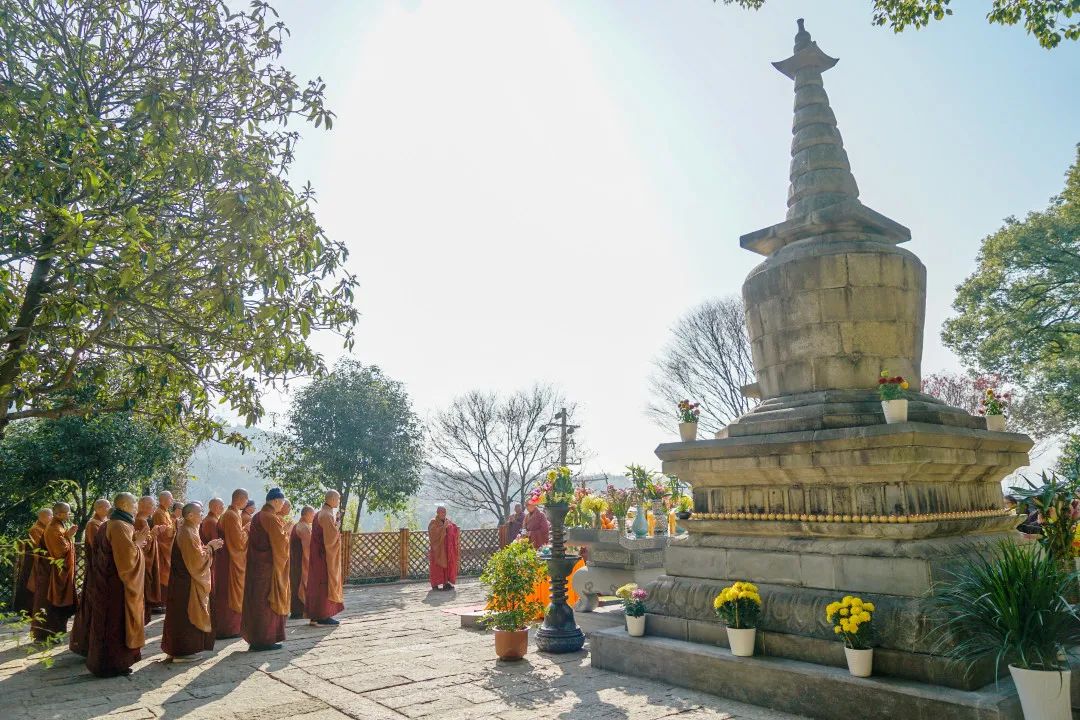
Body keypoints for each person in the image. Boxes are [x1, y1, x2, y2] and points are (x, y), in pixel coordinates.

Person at [86, 493, 150, 677]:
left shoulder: (111, 523)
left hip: (108, 582)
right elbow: (127, 561)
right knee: (116, 622)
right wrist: (137, 544)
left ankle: (106, 663)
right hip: (116, 585)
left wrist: (134, 543)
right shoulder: (119, 525)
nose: (137, 505)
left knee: (108, 622)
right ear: (123, 505)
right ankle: (113, 664)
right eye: (134, 503)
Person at [162, 502, 224, 663]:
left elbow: (195, 553)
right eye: (200, 512)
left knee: (179, 615)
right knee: (186, 616)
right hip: (187, 583)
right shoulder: (187, 532)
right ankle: (183, 652)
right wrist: (210, 548)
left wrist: (208, 547)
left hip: (182, 581)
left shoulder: (188, 530)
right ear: (190, 516)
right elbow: (196, 562)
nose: (202, 514)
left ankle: (177, 650)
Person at [241, 488, 291, 650]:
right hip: (269, 569)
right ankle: (265, 640)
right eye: (282, 502)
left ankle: (257, 639)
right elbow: (280, 545)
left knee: (257, 602)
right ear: (276, 501)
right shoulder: (271, 518)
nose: (283, 506)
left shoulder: (257, 517)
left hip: (256, 567)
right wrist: (287, 532)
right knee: (267, 604)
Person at [70, 498, 111, 656]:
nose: (109, 509)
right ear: (99, 508)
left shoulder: (103, 521)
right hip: (96, 570)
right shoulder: (93, 524)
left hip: (100, 568)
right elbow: (98, 546)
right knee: (92, 604)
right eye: (107, 507)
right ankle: (87, 641)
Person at [31, 502, 78, 641]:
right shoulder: (53, 528)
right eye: (67, 512)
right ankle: (44, 636)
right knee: (48, 603)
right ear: (58, 514)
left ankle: (53, 634)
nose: (69, 514)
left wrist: (67, 536)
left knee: (53, 605)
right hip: (50, 574)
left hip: (55, 573)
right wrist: (68, 537)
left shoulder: (59, 525)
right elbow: (59, 551)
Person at [306, 490, 344, 626]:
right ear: (332, 499)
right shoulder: (327, 515)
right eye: (338, 499)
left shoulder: (320, 513)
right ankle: (323, 615)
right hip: (324, 557)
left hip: (318, 555)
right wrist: (338, 527)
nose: (339, 502)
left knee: (318, 585)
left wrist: (336, 523)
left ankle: (316, 615)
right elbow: (331, 539)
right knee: (324, 585)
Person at [216, 489, 249, 638]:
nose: (247, 502)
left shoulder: (234, 514)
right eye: (246, 499)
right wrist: (247, 530)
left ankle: (233, 627)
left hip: (230, 559)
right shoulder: (231, 515)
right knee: (231, 594)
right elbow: (237, 542)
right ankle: (230, 628)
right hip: (231, 561)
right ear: (240, 499)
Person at [13, 508, 51, 614]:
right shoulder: (35, 529)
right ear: (43, 517)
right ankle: (26, 610)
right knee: (30, 584)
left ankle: (35, 609)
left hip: (39, 560)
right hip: (33, 561)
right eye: (50, 516)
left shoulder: (45, 527)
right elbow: (40, 545)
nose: (52, 518)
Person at [136, 496, 162, 615]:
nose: (154, 508)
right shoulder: (141, 521)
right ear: (144, 507)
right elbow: (143, 545)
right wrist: (154, 533)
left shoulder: (142, 520)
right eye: (152, 505)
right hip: (144, 562)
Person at [289, 506, 315, 619]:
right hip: (301, 562)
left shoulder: (297, 525)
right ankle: (300, 611)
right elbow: (309, 547)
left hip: (295, 562)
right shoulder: (304, 527)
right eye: (312, 514)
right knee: (300, 584)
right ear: (306, 515)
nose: (313, 517)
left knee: (295, 584)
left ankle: (296, 611)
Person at [151, 490, 176, 605]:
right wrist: (175, 527)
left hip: (167, 547)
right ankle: (160, 601)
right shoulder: (158, 513)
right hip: (162, 548)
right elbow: (164, 532)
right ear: (164, 500)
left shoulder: (165, 512)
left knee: (167, 573)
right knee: (163, 573)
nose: (172, 501)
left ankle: (165, 600)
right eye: (170, 499)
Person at [428, 506, 460, 591]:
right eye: (441, 512)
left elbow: (453, 529)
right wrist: (443, 528)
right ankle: (435, 584)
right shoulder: (433, 522)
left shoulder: (447, 521)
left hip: (446, 549)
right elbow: (433, 533)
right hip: (437, 549)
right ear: (437, 513)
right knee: (436, 567)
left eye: (444, 512)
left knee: (446, 566)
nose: (443, 514)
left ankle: (446, 583)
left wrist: (453, 527)